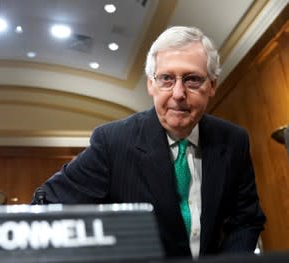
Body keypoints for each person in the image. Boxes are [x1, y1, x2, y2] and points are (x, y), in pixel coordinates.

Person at [31, 26, 266, 258]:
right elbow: (46, 209)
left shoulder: (234, 140)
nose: (178, 93)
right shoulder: (112, 143)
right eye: (166, 79)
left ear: (212, 85)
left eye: (192, 79)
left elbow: (246, 220)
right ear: (150, 84)